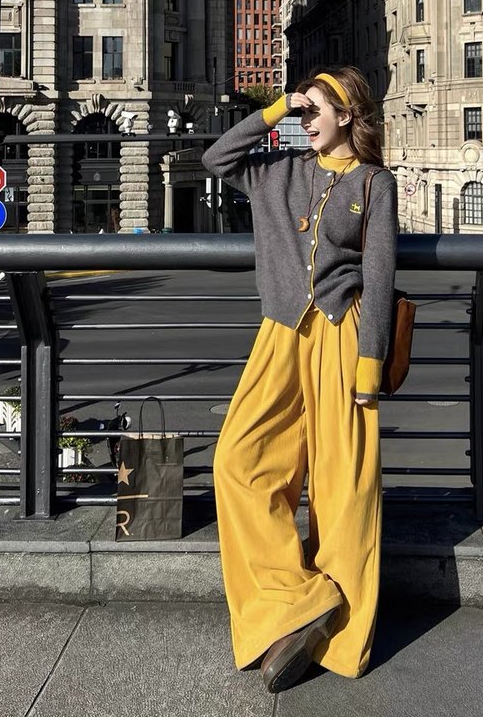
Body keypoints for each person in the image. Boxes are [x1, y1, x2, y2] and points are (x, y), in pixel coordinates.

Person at [202, 66, 397, 693]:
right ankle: (295, 600)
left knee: (344, 488)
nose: (306, 120)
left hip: (343, 335)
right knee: (238, 463)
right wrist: (276, 108)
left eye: (316, 109)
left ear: (347, 114)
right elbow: (216, 157)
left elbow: (381, 275)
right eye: (302, 110)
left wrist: (371, 363)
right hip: (281, 334)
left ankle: (335, 638)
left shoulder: (375, 183)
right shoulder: (277, 172)